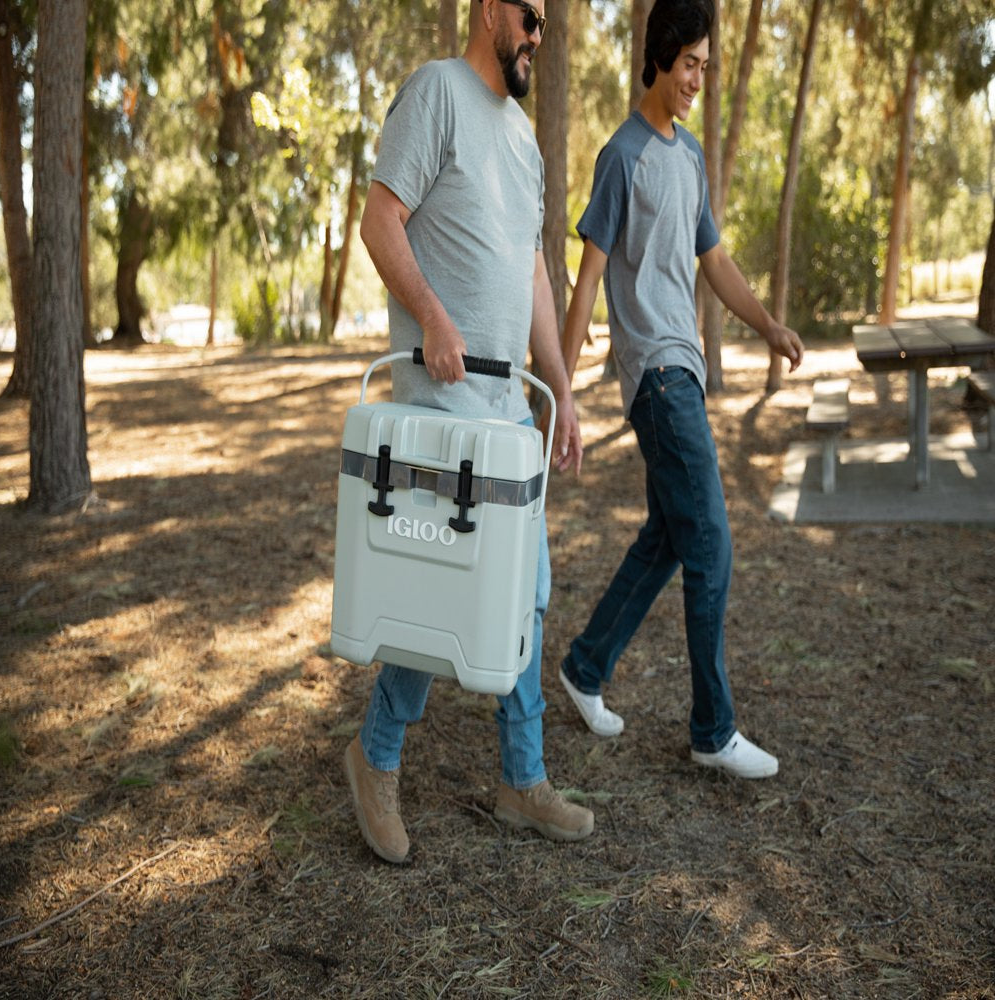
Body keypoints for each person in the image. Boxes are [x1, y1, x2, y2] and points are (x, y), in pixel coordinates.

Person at [344, 0, 593, 864]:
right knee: (445, 593)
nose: (536, 33)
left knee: (522, 589)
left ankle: (522, 782)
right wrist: (432, 317)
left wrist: (559, 388)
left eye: (545, 25)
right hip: (440, 405)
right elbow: (380, 221)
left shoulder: (523, 141)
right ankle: (374, 757)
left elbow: (531, 271)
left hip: (507, 410)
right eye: (529, 15)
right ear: (489, 7)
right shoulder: (436, 93)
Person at [555, 0, 804, 779]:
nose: (698, 78)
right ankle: (713, 728)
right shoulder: (620, 157)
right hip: (656, 377)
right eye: (689, 62)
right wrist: (560, 391)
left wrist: (767, 325)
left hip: (685, 368)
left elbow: (716, 262)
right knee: (713, 546)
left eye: (705, 65)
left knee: (668, 538)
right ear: (660, 58)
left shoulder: (689, 156)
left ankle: (585, 667)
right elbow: (589, 277)